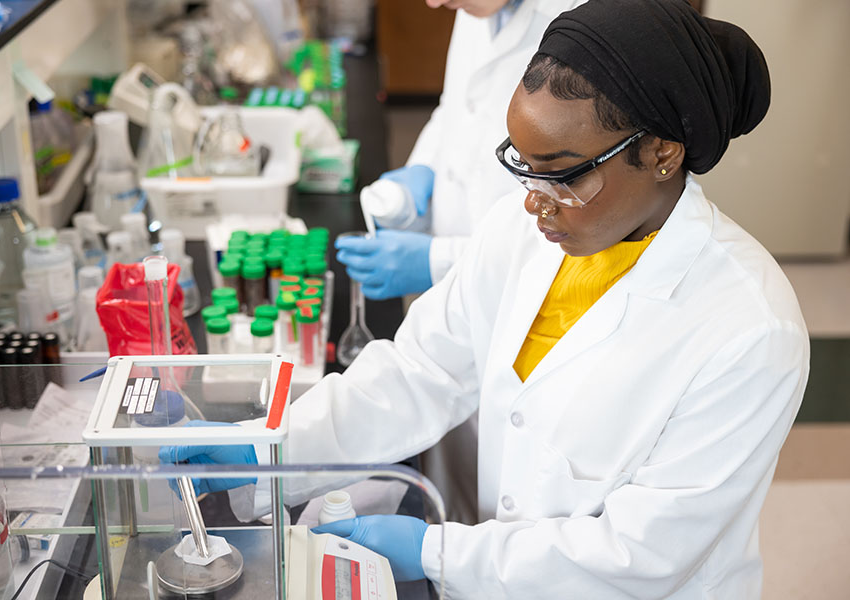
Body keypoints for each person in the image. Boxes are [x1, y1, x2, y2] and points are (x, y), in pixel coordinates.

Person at [161, 1, 809, 596]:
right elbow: (422, 372)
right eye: (520, 163)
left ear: (662, 153)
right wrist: (267, 451)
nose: (532, 200)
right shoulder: (520, 231)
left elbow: (642, 552)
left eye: (560, 172)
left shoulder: (750, 328)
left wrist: (438, 553)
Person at [335, 0, 587, 301]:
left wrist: (437, 261)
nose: (435, 3)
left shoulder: (586, 20)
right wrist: (424, 168)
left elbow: (573, 220)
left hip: (526, 300)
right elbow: (457, 107)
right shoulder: (478, 6)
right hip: (454, 297)